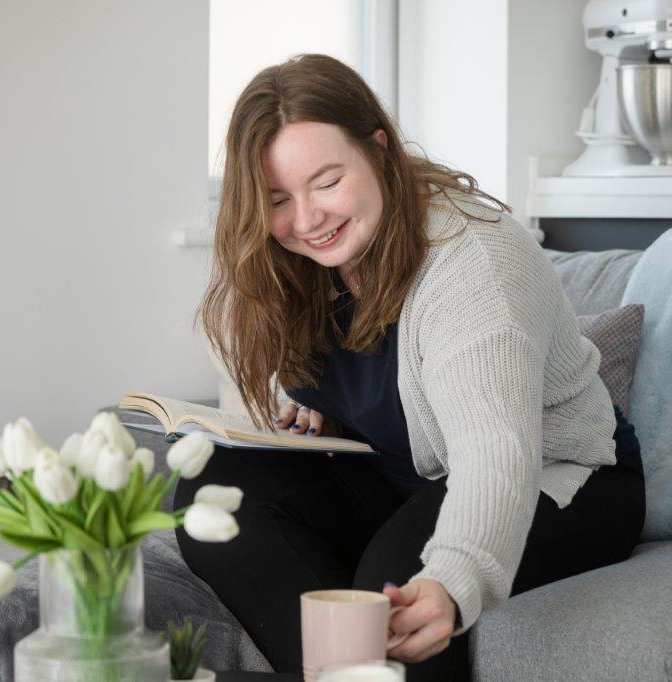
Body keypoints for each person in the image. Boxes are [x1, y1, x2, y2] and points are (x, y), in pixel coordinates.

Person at [179, 53, 645, 680]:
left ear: (378, 149)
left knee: (394, 587)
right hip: (407, 478)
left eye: (327, 181)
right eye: (277, 198)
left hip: (561, 474)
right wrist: (312, 411)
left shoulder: (473, 258)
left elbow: (494, 451)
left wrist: (455, 580)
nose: (307, 219)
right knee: (216, 492)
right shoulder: (290, 260)